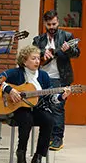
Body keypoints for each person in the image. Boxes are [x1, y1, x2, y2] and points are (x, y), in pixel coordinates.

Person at [0, 45, 71, 163]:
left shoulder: (43, 76)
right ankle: (21, 151)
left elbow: (49, 98)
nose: (37, 61)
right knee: (26, 119)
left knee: (49, 120)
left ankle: (38, 156)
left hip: (38, 108)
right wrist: (9, 90)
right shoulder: (16, 73)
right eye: (33, 58)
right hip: (18, 109)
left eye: (38, 58)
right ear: (25, 61)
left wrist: (61, 97)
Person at [32, 10, 80, 151]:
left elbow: (76, 54)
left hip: (61, 77)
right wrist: (41, 53)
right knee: (44, 108)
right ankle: (47, 136)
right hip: (41, 78)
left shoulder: (67, 36)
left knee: (58, 108)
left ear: (58, 22)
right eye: (49, 24)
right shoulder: (38, 40)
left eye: (54, 23)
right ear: (44, 24)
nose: (52, 27)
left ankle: (58, 138)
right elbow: (31, 54)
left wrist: (68, 49)